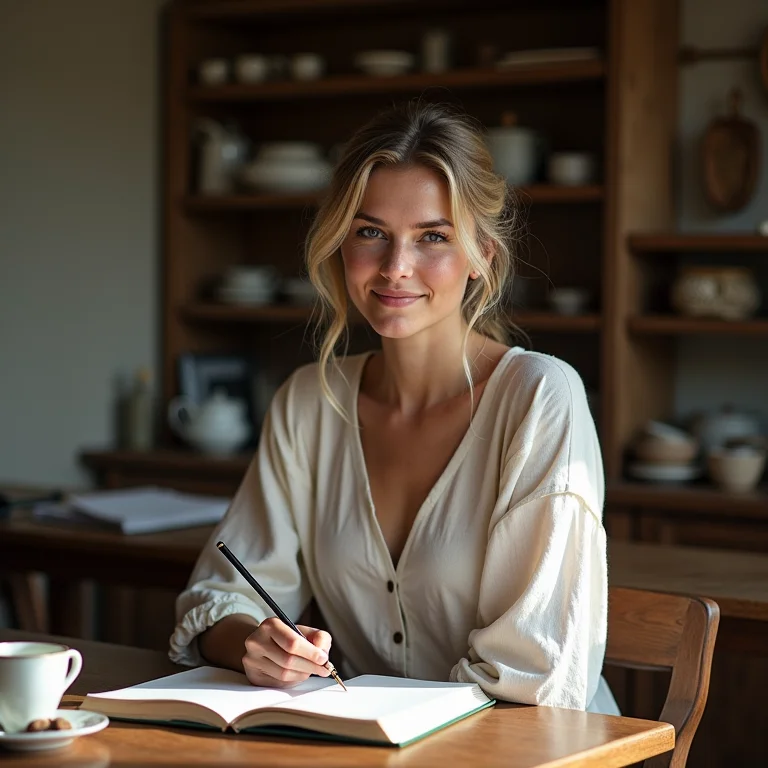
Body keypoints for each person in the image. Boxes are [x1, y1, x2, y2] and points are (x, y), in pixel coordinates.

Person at [170, 101, 618, 714]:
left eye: (433, 237)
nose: (395, 268)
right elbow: (224, 591)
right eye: (370, 232)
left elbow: (534, 674)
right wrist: (256, 644)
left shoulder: (540, 398)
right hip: (372, 746)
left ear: (484, 252)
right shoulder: (309, 402)